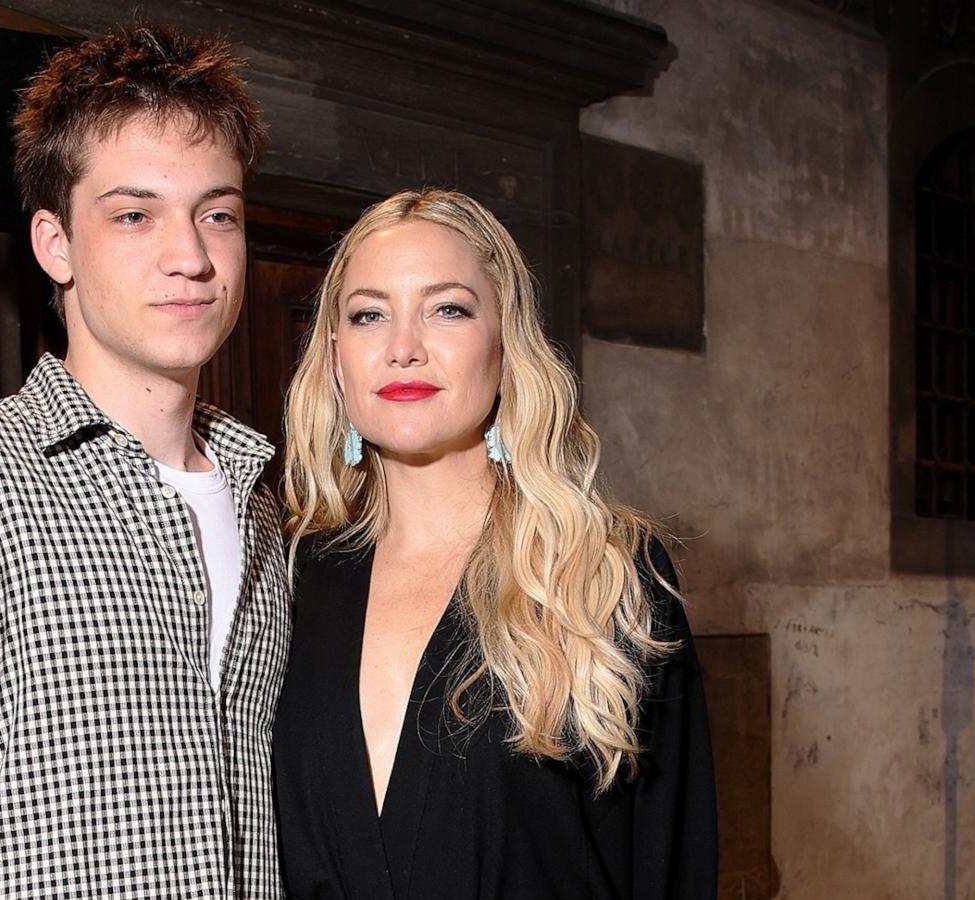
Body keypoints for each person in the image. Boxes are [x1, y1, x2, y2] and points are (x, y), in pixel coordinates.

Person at [0, 24, 290, 899]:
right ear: (55, 245)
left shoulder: (261, 503)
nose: (189, 256)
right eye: (134, 215)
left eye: (217, 214)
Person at [273, 189, 717, 899]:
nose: (403, 347)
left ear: (505, 341)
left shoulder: (600, 577)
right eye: (368, 314)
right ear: (336, 357)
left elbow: (670, 863)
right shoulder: (292, 582)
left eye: (448, 308)